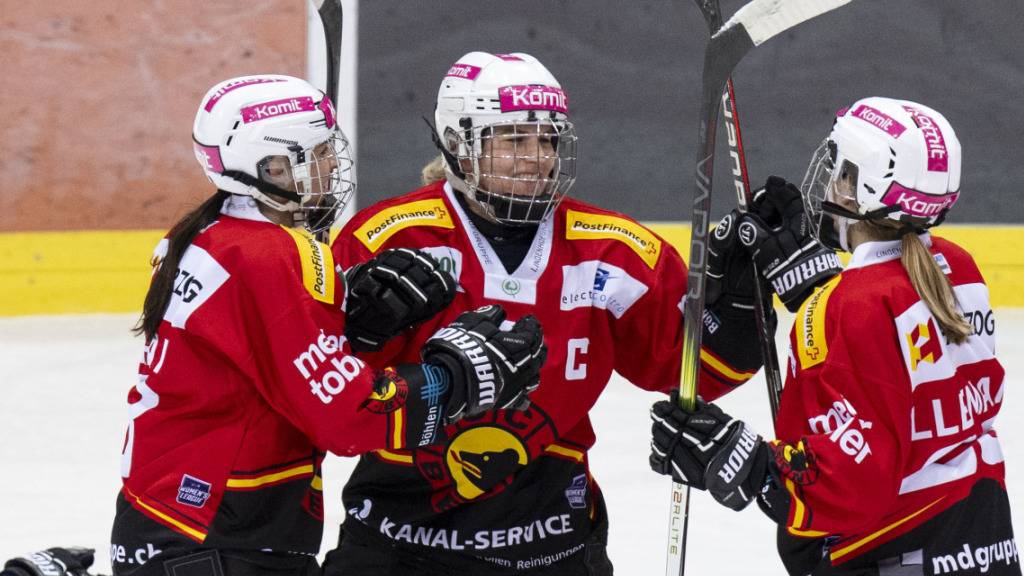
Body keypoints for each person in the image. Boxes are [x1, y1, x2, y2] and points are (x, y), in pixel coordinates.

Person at [2, 74, 550, 576]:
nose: (333, 168)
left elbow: (261, 366)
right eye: (315, 155)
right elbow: (347, 417)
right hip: (222, 530)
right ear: (270, 170)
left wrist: (348, 328)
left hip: (178, 518)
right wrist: (454, 379)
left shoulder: (205, 234)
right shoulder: (275, 254)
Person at [321, 51, 769, 575]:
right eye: (514, 139)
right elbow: (327, 387)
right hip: (397, 540)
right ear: (461, 147)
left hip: (550, 541)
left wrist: (740, 311)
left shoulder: (616, 251)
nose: (537, 157)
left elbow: (692, 368)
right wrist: (361, 336)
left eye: (548, 139)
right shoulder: (387, 239)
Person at [649, 97, 1020, 575]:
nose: (831, 183)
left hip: (890, 552)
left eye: (841, 172)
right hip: (981, 539)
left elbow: (852, 481)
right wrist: (817, 295)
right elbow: (903, 378)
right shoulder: (958, 268)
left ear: (860, 186)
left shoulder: (851, 306)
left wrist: (748, 462)